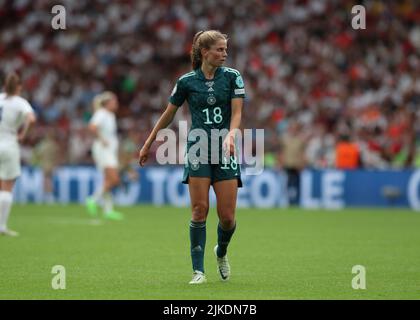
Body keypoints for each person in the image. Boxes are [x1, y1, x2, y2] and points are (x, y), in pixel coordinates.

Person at [139, 30, 245, 284]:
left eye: (225, 49)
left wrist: (231, 135)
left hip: (224, 150)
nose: (224, 54)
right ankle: (199, 271)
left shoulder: (232, 77)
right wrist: (149, 141)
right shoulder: (186, 81)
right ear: (204, 52)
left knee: (228, 217)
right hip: (198, 150)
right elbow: (168, 114)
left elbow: (237, 113)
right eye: (219, 49)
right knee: (199, 210)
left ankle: (221, 251)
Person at [0, 72, 36, 236]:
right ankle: (2, 226)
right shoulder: (20, 102)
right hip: (9, 144)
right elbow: (32, 118)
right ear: (19, 87)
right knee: (7, 187)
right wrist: (23, 133)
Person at [85, 91, 124, 221]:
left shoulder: (110, 115)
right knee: (114, 179)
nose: (116, 104)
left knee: (107, 180)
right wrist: (102, 139)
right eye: (114, 102)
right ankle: (93, 199)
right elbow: (92, 127)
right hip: (103, 150)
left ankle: (108, 210)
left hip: (109, 151)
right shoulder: (101, 113)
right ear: (107, 103)